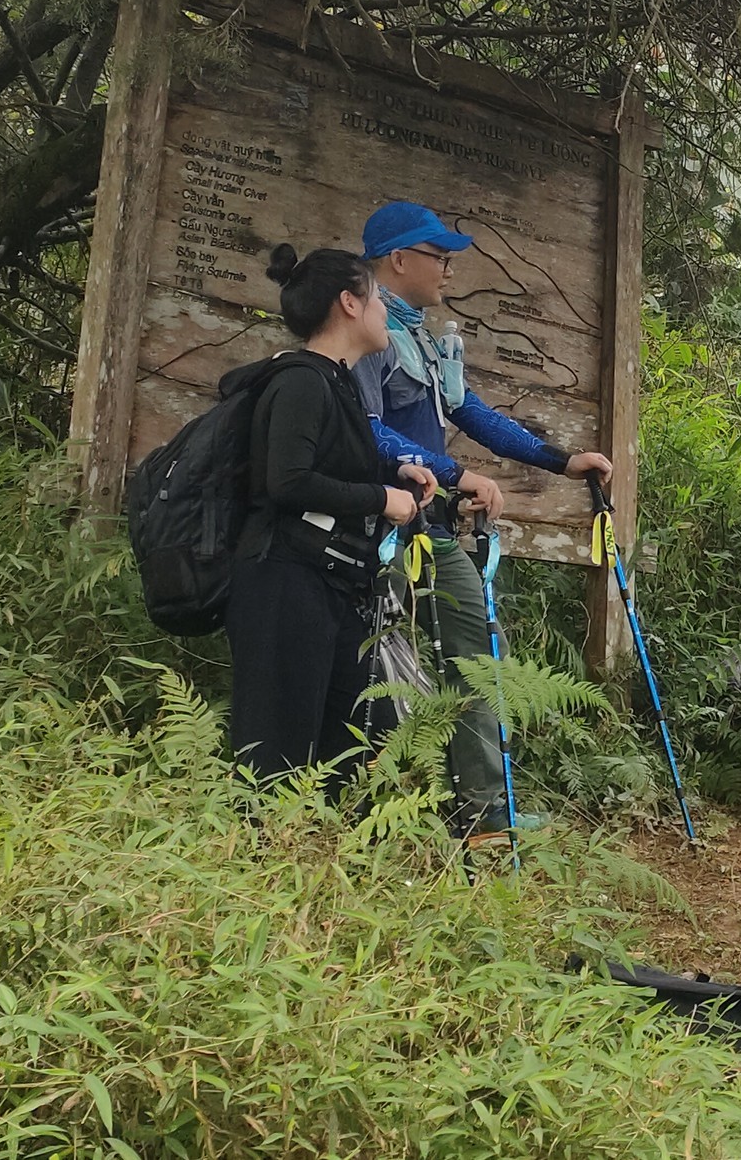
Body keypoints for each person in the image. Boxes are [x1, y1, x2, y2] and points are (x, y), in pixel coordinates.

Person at [352, 200, 614, 845]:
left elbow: (476, 416)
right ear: (398, 259)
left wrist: (561, 460)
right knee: (448, 655)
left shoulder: (421, 336)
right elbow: (365, 431)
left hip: (425, 524)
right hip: (387, 526)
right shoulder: (369, 334)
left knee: (444, 656)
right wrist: (453, 473)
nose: (448, 269)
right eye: (438, 256)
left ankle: (451, 806)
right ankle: (479, 813)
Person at [224, 244, 435, 795]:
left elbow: (331, 469)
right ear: (348, 303)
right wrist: (379, 498)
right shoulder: (300, 381)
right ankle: (256, 862)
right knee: (275, 757)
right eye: (376, 298)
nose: (386, 310)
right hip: (283, 581)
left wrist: (401, 479)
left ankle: (318, 863)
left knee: (339, 752)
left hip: (330, 586)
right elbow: (287, 481)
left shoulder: (336, 383)